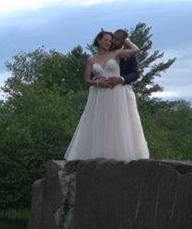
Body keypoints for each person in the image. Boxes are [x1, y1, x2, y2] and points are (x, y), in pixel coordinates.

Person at [63, 30, 150, 161]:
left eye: (111, 40)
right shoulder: (91, 59)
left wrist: (125, 40)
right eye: (106, 40)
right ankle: (96, 155)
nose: (109, 42)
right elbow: (87, 80)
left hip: (115, 93)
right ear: (98, 40)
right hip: (98, 94)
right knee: (98, 122)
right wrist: (96, 82)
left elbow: (136, 50)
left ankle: (117, 155)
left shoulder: (116, 54)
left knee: (116, 123)